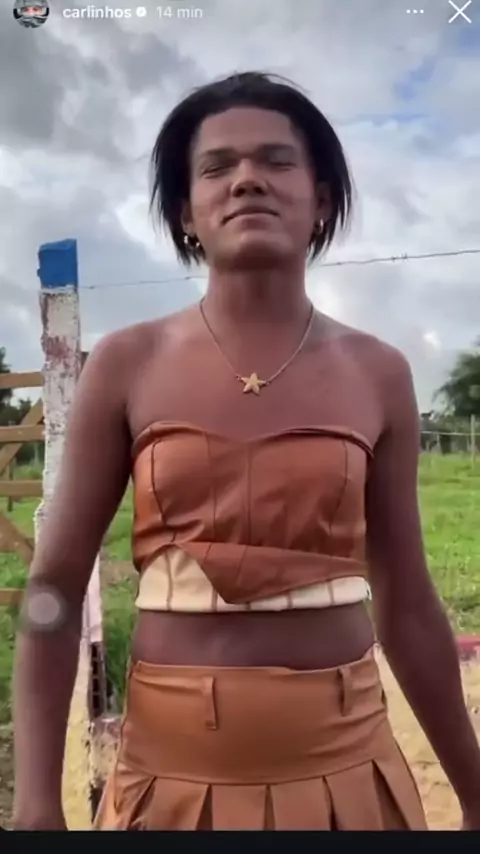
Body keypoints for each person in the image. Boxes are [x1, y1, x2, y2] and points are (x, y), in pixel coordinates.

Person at [13, 71, 480, 831]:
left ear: (321, 198)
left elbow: (408, 602)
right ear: (185, 212)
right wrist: (37, 805)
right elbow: (54, 591)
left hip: (353, 788)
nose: (247, 180)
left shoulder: (379, 373)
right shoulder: (127, 363)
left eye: (276, 160)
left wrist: (474, 790)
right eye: (217, 167)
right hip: (167, 790)